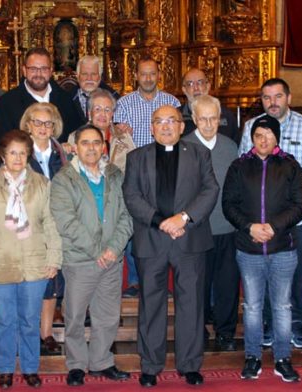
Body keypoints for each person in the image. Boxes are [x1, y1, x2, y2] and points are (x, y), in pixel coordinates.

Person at [122, 105, 218, 387]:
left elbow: (210, 190)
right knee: (151, 304)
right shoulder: (136, 157)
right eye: (159, 122)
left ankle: (190, 364)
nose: (165, 126)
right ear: (151, 127)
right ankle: (150, 365)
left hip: (189, 239)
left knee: (191, 303)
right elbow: (131, 194)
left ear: (181, 126)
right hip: (152, 239)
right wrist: (159, 221)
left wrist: (183, 218)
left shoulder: (200, 154)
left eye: (171, 121)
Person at [0, 130, 62, 389]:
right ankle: (5, 368)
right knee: (4, 320)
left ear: (29, 155)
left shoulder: (42, 184)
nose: (18, 158)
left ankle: (30, 368)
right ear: (2, 156)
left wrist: (54, 257)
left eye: (22, 153)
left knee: (29, 320)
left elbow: (51, 223)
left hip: (34, 262)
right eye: (12, 153)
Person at [238, 78, 302, 349]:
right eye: (267, 98)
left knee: (299, 271)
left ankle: (296, 322)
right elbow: (243, 164)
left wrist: (298, 184)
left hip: (301, 215)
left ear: (288, 98)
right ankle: (268, 322)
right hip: (264, 217)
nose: (273, 102)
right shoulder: (251, 127)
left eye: (278, 96)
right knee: (266, 270)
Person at [223, 115, 302, 383]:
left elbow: (299, 204)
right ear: (252, 138)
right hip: (249, 249)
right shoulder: (239, 166)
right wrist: (250, 227)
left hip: (282, 247)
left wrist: (273, 226)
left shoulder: (290, 166)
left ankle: (283, 358)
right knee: (252, 306)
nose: (263, 140)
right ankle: (253, 357)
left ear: (276, 138)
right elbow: (229, 204)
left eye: (268, 135)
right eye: (258, 135)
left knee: (282, 306)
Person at [51, 124, 133, 386]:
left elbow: (126, 216)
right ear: (75, 147)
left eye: (96, 143)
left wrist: (113, 249)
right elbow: (66, 221)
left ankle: (101, 362)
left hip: (111, 257)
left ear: (103, 146)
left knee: (107, 315)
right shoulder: (64, 179)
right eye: (84, 143)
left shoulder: (115, 175)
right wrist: (98, 251)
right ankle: (76, 364)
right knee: (74, 315)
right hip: (80, 259)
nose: (91, 148)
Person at [113, 57, 180, 297]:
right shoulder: (124, 103)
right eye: (144, 74)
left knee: (165, 221)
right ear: (136, 76)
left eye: (152, 74)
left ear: (158, 74)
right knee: (137, 224)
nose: (148, 78)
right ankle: (134, 281)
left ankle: (164, 281)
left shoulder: (171, 101)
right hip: (136, 170)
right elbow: (117, 139)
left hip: (166, 168)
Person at [182, 94, 240, 352]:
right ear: (194, 119)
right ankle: (199, 331)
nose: (207, 124)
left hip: (228, 228)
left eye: (213, 119)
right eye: (202, 119)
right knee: (198, 286)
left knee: (228, 283)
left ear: (220, 119)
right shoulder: (183, 147)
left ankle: (226, 332)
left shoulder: (231, 147)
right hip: (197, 230)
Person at [20, 102, 68, 355]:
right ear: (28, 124)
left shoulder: (62, 153)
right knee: (31, 280)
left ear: (54, 126)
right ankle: (28, 334)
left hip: (57, 223)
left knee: (52, 280)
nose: (42, 127)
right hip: (28, 225)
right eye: (37, 122)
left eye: (47, 123)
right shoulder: (19, 151)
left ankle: (46, 333)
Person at [0, 47, 84, 174]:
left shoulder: (65, 100)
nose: (38, 74)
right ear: (24, 70)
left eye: (44, 69)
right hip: (23, 178)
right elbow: (1, 146)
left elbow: (78, 134)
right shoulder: (7, 103)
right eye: (33, 69)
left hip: (60, 175)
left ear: (51, 71)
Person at [67, 88, 135, 172]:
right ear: (89, 113)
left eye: (107, 110)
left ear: (112, 114)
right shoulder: (75, 137)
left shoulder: (123, 137)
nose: (103, 114)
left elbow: (134, 169)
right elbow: (71, 171)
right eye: (97, 109)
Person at [180, 68, 239, 143]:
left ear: (208, 86)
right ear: (184, 90)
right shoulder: (177, 117)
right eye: (190, 84)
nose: (196, 88)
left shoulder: (226, 115)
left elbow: (234, 146)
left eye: (200, 82)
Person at [68, 55, 120, 120]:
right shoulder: (67, 99)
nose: (89, 78)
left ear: (100, 77)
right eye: (84, 74)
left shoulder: (114, 99)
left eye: (93, 74)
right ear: (78, 77)